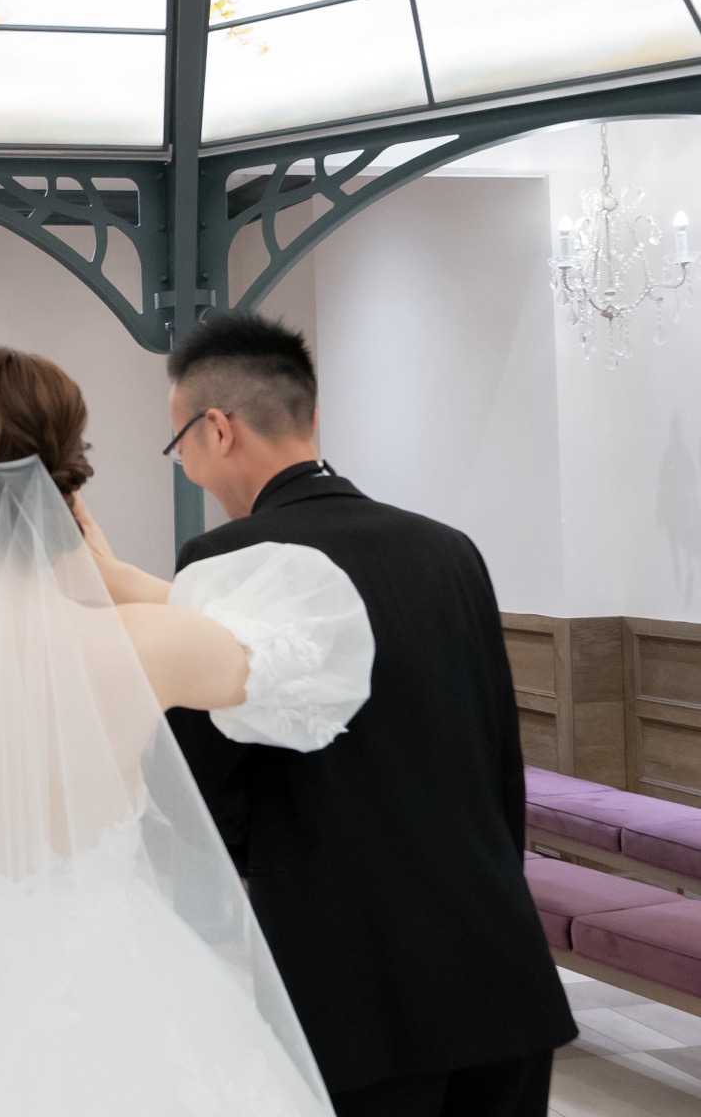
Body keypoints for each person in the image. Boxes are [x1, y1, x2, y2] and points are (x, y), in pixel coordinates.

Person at [0, 347, 377, 1116]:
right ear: (71, 486)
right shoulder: (146, 642)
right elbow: (316, 651)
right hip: (116, 987)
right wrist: (121, 581)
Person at [130, 312, 574, 1116]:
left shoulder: (224, 563)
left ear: (217, 429)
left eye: (179, 446)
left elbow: (196, 792)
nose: (188, 467)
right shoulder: (449, 549)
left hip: (351, 988)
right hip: (502, 968)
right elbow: (500, 764)